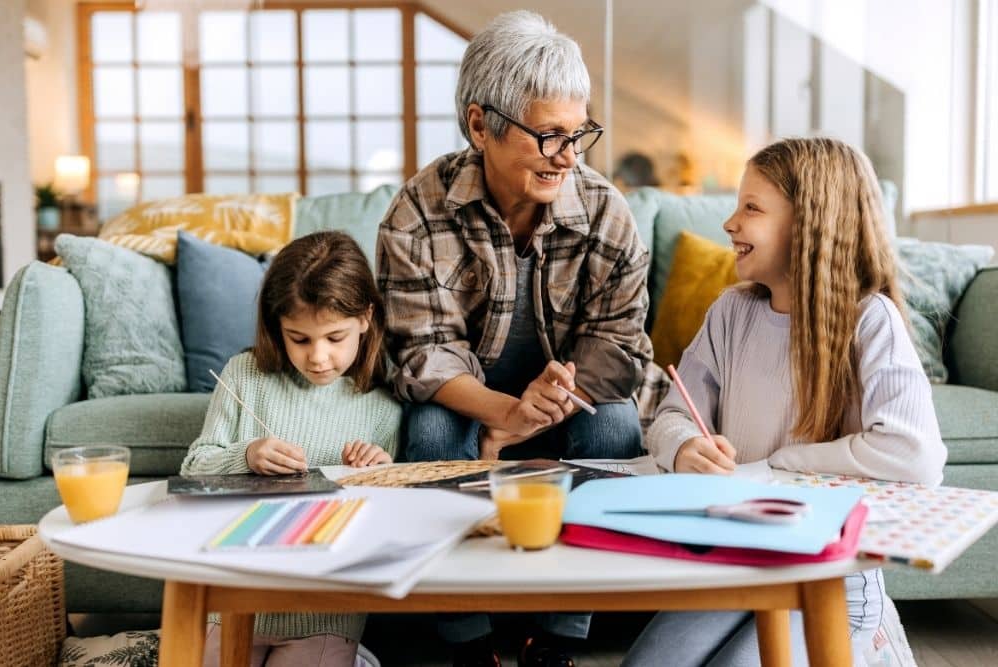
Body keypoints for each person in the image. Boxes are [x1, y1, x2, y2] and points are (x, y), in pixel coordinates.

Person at [376, 10, 658, 667]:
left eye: (579, 133)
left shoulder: (606, 212)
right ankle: (467, 640)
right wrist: (505, 413)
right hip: (468, 400)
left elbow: (620, 345)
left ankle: (560, 637)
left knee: (615, 428)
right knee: (430, 435)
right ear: (480, 125)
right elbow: (419, 355)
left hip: (567, 401)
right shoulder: (417, 213)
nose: (568, 155)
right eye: (548, 135)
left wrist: (558, 394)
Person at [628, 137, 947, 666]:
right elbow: (672, 414)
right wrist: (684, 445)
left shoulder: (870, 320)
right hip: (739, 566)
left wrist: (776, 465)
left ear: (810, 225)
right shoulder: (730, 314)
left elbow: (914, 455)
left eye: (751, 208)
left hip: (828, 584)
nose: (730, 223)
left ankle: (875, 649)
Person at [181, 231, 402, 667]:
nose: (318, 357)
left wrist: (378, 472)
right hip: (234, 598)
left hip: (325, 611)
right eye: (299, 339)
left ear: (365, 317)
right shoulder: (244, 375)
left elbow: (385, 518)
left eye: (334, 338)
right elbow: (192, 470)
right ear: (276, 326)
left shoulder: (382, 400)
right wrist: (244, 456)